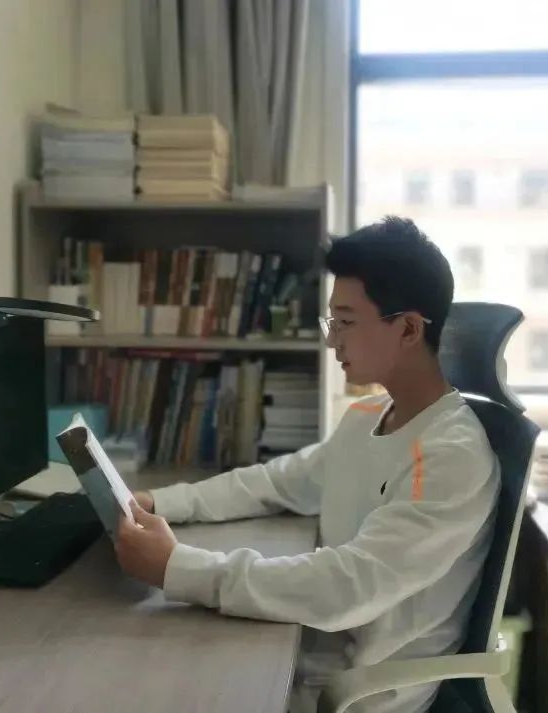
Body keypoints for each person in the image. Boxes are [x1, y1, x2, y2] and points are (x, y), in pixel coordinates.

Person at [116, 216, 500, 713]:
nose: (332, 340)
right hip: (309, 654)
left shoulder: (452, 456)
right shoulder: (367, 416)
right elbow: (276, 482)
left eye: (346, 322)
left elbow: (346, 588)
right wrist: (158, 502)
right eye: (330, 322)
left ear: (408, 328)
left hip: (357, 696)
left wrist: (179, 567)